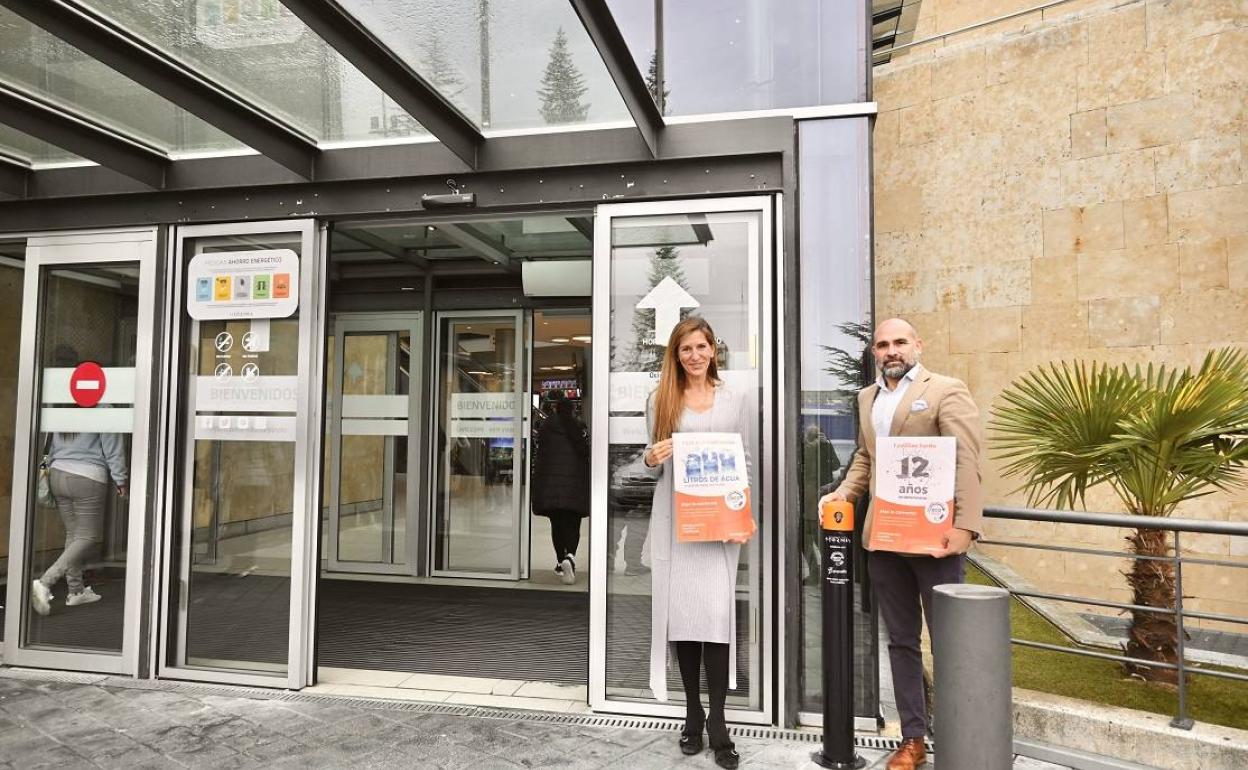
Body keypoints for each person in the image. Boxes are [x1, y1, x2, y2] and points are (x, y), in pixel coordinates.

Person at [820, 318, 983, 770]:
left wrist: (966, 527)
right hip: (885, 539)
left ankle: (960, 735)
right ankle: (913, 739)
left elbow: (966, 460)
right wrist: (844, 494)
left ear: (917, 345)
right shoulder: (867, 397)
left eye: (899, 342)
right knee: (901, 642)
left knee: (952, 642)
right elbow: (865, 458)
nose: (891, 350)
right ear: (874, 352)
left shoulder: (946, 389)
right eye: (882, 344)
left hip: (935, 540)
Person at [641, 317, 754, 770]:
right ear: (676, 353)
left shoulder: (735, 398)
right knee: (684, 619)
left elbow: (744, 458)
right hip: (677, 521)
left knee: (717, 618)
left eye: (701, 347)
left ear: (713, 350)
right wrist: (650, 457)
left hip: (719, 522)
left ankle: (720, 720)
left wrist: (743, 514)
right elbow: (651, 459)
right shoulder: (660, 399)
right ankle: (693, 711)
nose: (694, 356)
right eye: (685, 349)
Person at [30, 350, 129, 615]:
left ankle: (76, 591)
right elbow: (113, 447)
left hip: (58, 475)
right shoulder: (103, 407)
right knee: (88, 535)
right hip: (87, 478)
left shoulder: (63, 405)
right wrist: (120, 479)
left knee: (74, 535)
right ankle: (45, 581)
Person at [530, 393, 590, 584]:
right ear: (572, 410)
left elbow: (539, 456)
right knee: (573, 525)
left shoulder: (546, 427)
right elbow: (586, 453)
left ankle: (560, 561)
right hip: (574, 487)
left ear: (555, 409)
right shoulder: (577, 427)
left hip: (551, 487)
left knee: (557, 526)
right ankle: (570, 557)